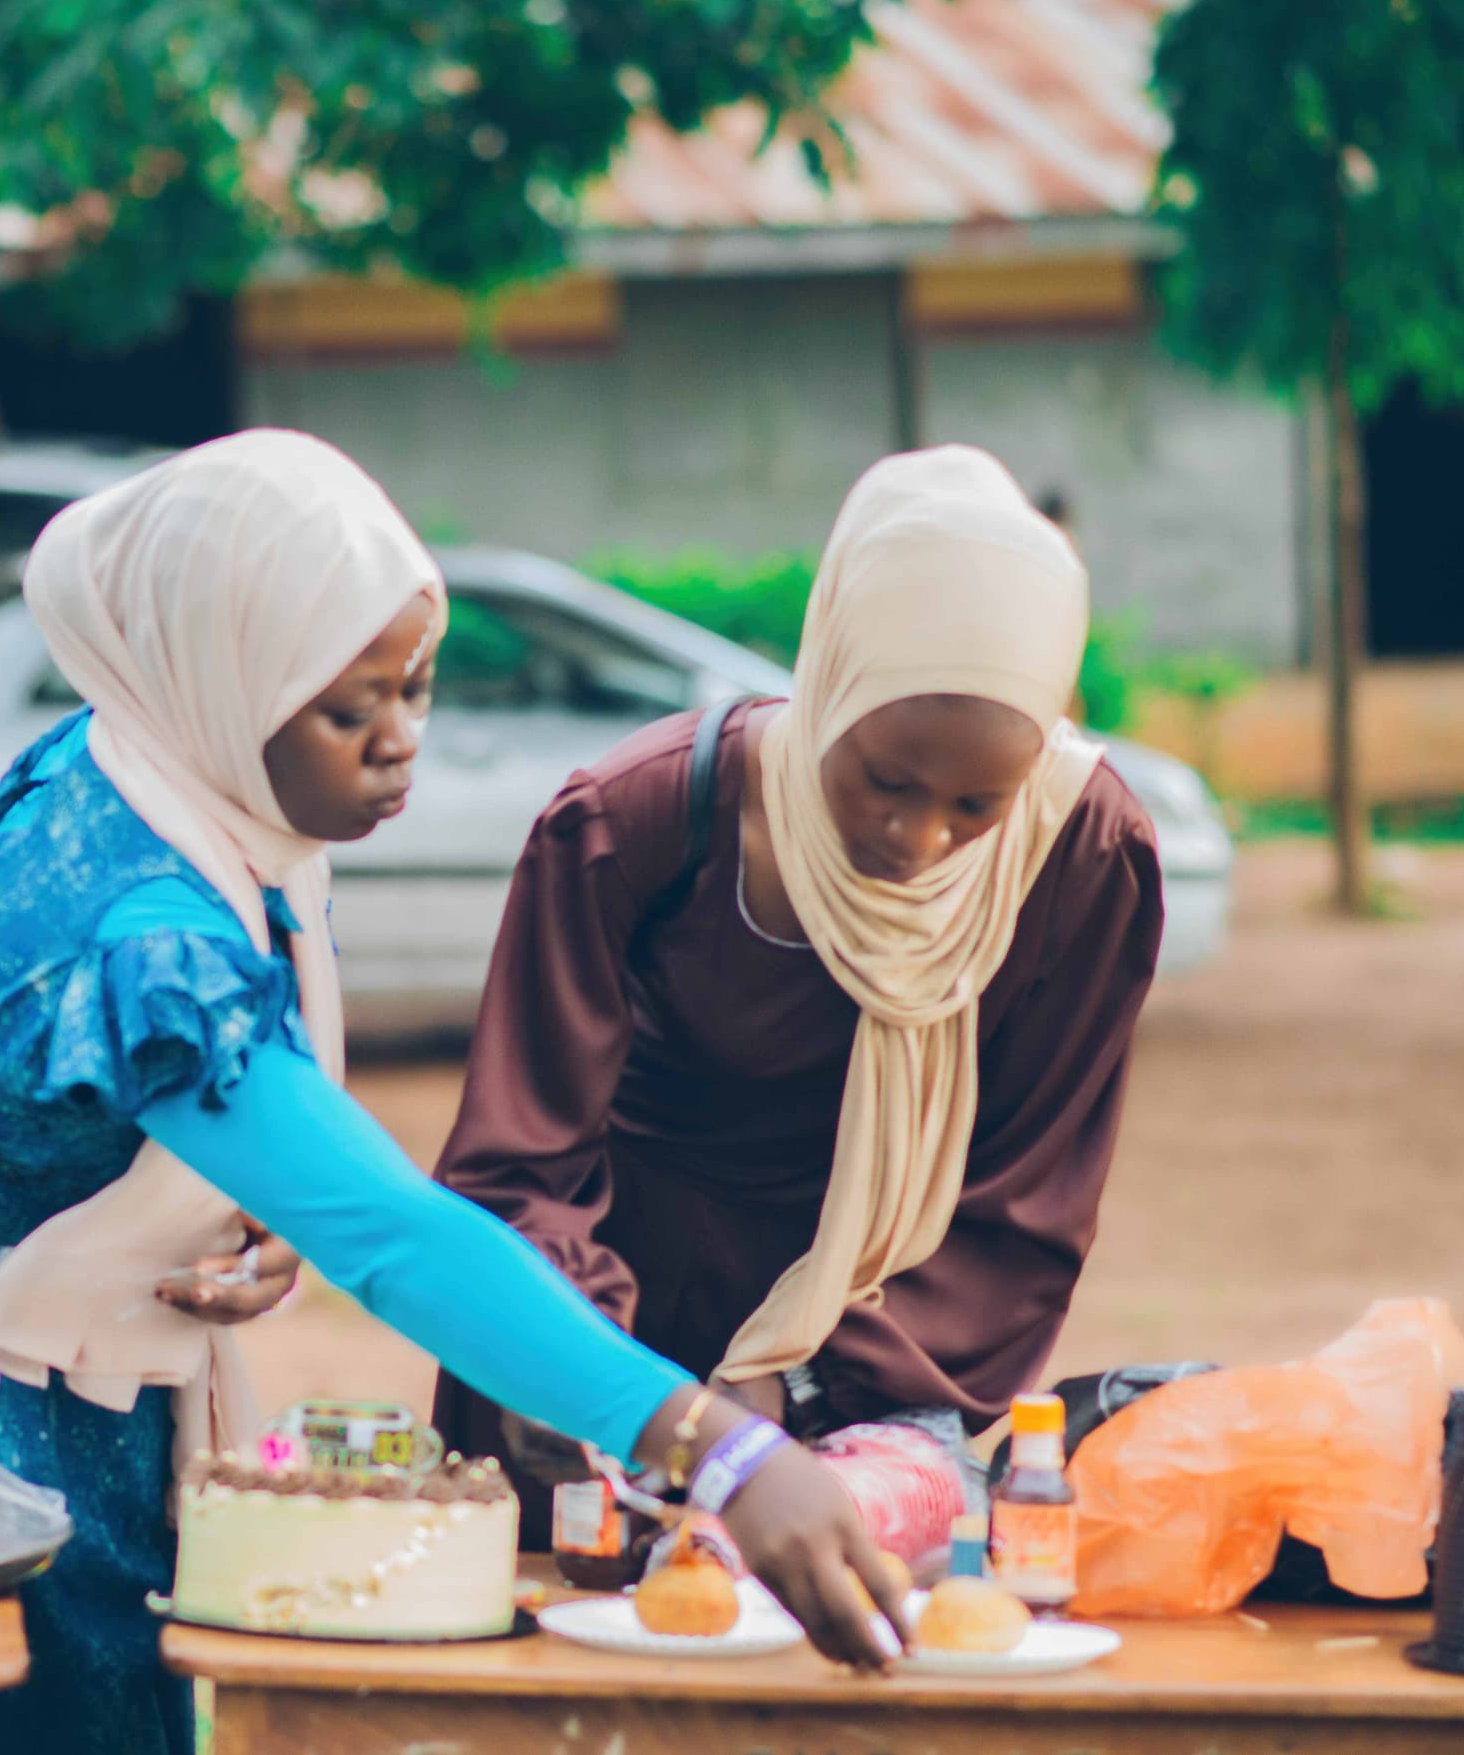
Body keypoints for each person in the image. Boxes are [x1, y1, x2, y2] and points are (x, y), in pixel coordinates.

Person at [0, 431, 908, 1755]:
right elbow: (390, 1231)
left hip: (11, 1317)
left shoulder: (160, 766)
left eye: (417, 687)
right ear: (221, 684)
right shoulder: (146, 932)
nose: (401, 739)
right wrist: (717, 1447)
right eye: (347, 709)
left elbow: (124, 1102)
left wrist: (229, 1205)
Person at [433, 446, 1164, 1560]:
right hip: (598, 1364)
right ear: (829, 680)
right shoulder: (634, 825)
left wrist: (806, 1380)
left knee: (827, 1649)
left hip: (874, 1373)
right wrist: (600, 1381)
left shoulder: (1082, 858)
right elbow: (517, 1162)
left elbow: (1025, 1198)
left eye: (977, 804)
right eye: (884, 780)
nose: (919, 839)